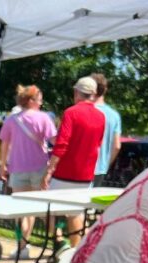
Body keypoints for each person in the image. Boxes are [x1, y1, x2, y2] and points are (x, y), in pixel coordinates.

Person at [41, 76, 105, 248]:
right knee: (76, 214)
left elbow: (62, 144)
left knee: (47, 209)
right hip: (85, 175)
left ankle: (59, 243)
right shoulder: (101, 116)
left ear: (77, 92)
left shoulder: (71, 112)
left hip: (65, 172)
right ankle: (74, 253)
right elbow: (97, 144)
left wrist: (49, 170)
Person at [0, 85, 57, 258]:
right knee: (41, 208)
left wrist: (3, 165)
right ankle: (57, 238)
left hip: (17, 168)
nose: (41, 101)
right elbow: (55, 140)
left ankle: (22, 246)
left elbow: (4, 143)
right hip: (39, 167)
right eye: (39, 98)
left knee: (22, 209)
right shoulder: (44, 118)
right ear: (31, 100)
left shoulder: (11, 120)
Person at [91, 73, 122, 187]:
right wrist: (105, 164)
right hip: (101, 168)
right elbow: (117, 146)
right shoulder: (114, 115)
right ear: (105, 90)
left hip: (81, 167)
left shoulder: (84, 111)